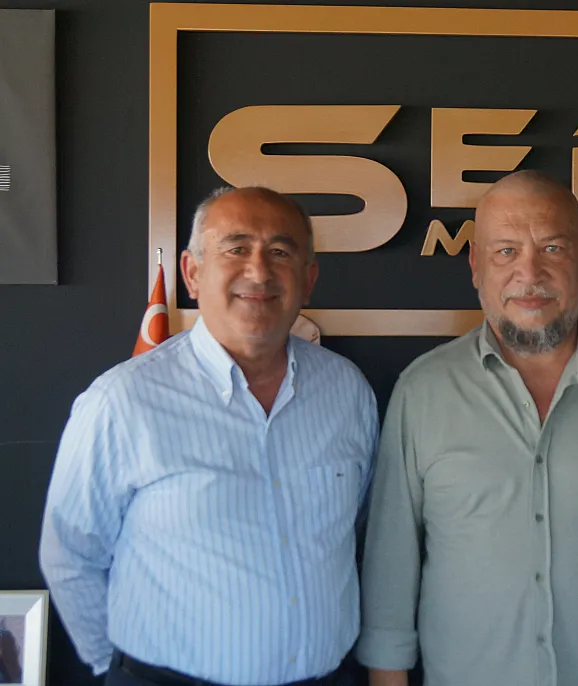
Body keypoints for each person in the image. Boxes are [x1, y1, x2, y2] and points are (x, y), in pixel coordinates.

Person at [39, 187, 379, 686]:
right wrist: (118, 669)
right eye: (236, 248)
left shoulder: (346, 390)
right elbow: (70, 555)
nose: (259, 272)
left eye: (280, 252)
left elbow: (360, 520)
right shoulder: (124, 400)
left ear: (308, 279)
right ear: (192, 272)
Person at [356, 170, 578, 686]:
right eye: (506, 251)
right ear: (475, 265)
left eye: (552, 248)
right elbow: (390, 566)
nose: (529, 272)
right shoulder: (423, 392)